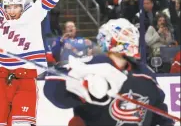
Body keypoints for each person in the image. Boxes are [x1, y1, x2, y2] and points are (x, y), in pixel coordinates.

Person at [44, 18, 173, 126]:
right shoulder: (90, 64)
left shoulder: (145, 73)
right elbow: (53, 89)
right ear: (109, 39)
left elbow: (157, 107)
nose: (131, 37)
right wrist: (82, 92)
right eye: (125, 33)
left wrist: (166, 122)